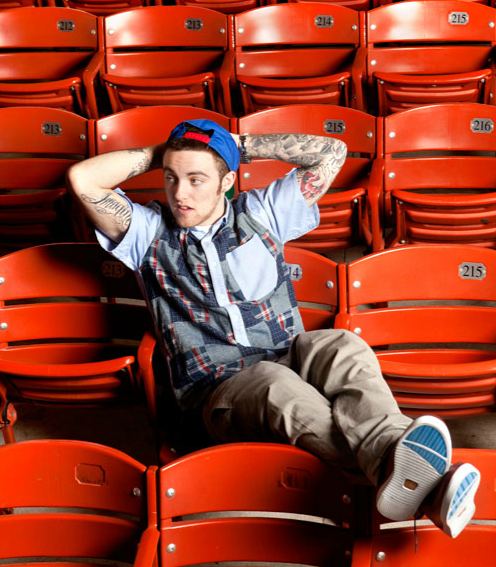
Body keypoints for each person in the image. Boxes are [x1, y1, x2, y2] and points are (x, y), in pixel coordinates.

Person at [67, 118, 480, 539]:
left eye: (196, 179)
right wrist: (170, 150)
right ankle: (425, 483)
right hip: (216, 392)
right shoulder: (147, 232)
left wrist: (234, 145)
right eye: (171, 177)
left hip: (289, 355)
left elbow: (331, 152)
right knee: (274, 383)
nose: (180, 193)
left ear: (227, 181)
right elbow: (82, 179)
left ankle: (406, 471)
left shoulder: (262, 212)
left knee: (341, 344)